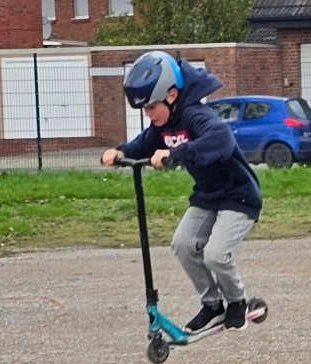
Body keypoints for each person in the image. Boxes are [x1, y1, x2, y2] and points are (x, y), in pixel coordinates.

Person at [101, 51, 264, 333]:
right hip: (208, 196)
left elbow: (221, 140)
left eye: (152, 107)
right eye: (144, 110)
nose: (148, 115)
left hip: (239, 196)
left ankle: (236, 301)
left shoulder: (195, 115)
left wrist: (176, 154)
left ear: (172, 95)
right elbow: (142, 145)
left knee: (215, 254)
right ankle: (213, 305)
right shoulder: (161, 125)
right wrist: (120, 152)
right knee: (183, 244)